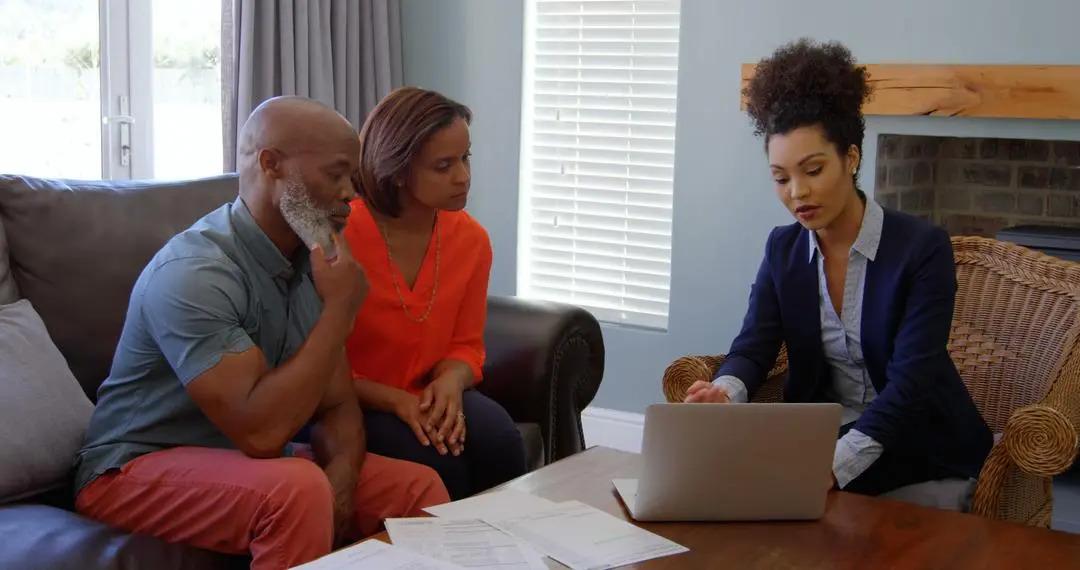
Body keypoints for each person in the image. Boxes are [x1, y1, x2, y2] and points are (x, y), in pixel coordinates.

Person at [73, 96, 449, 570]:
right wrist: (340, 311)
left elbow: (337, 405)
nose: (351, 194)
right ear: (272, 164)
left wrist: (343, 480)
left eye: (352, 177)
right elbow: (261, 433)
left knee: (420, 491)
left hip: (249, 463)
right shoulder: (195, 272)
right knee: (296, 489)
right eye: (336, 174)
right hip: (130, 468)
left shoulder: (314, 258)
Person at [684, 40, 992, 496]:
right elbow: (754, 346)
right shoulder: (782, 249)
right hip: (826, 429)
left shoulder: (923, 249)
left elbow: (911, 384)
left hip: (918, 436)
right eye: (781, 177)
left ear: (850, 158)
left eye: (813, 169)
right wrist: (726, 391)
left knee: (777, 497)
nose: (797, 193)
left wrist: (831, 464)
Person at [342, 87, 527, 500]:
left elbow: (466, 345)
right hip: (352, 401)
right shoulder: (339, 236)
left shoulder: (472, 240)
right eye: (443, 166)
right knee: (438, 461)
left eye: (466, 158)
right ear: (397, 169)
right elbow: (318, 364)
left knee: (499, 437)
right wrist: (395, 402)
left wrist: (451, 380)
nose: (463, 177)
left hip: (428, 394)